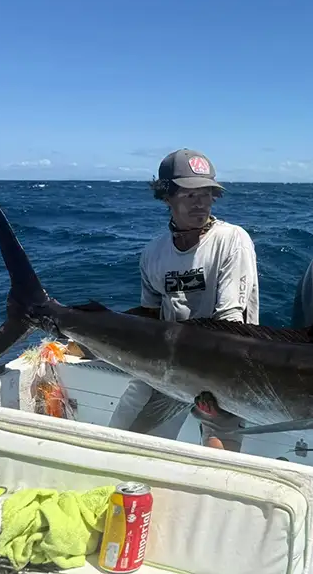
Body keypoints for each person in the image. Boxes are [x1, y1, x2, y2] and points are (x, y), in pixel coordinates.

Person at [108, 148, 260, 449]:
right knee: (119, 443)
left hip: (226, 368)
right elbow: (149, 318)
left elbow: (231, 322)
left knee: (220, 458)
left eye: (206, 193)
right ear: (167, 196)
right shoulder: (153, 253)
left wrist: (210, 382)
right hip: (167, 366)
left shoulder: (232, 240)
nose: (200, 202)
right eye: (190, 194)